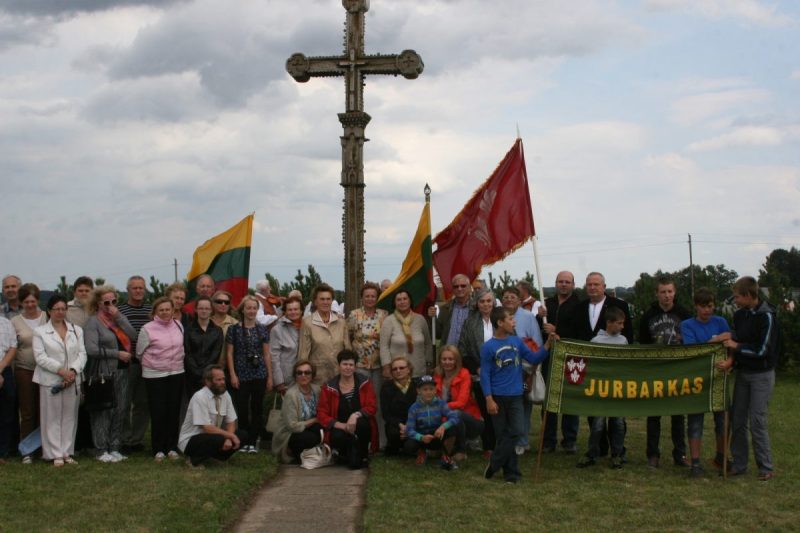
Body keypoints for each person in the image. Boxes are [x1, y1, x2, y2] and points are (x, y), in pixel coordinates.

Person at [481, 307, 555, 484]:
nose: (514, 322)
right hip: (498, 396)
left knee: (517, 431)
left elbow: (534, 359)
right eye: (510, 319)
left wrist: (547, 345)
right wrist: (488, 398)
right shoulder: (488, 347)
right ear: (500, 323)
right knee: (503, 435)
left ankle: (495, 462)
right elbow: (485, 374)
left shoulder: (517, 342)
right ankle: (511, 474)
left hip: (516, 395)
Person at [719, 276, 780, 481]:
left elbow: (763, 350)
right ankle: (739, 463)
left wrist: (736, 347)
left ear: (748, 295)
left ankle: (765, 466)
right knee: (737, 420)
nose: (735, 300)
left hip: (762, 375)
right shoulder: (739, 315)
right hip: (743, 374)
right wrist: (731, 361)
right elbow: (735, 339)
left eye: (737, 296)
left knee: (757, 420)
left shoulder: (767, 316)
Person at [639, 276, 692, 468]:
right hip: (656, 370)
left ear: (675, 292)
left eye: (670, 291)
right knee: (654, 415)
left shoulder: (685, 314)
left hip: (678, 370)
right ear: (657, 293)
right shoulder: (648, 315)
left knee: (678, 415)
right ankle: (653, 455)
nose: (667, 295)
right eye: (663, 292)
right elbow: (643, 344)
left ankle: (680, 454)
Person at [680, 288, 731, 478]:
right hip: (697, 378)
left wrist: (730, 362)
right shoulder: (687, 325)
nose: (707, 310)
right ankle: (695, 462)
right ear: (696, 306)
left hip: (719, 376)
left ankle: (721, 457)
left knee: (723, 420)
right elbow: (693, 349)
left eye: (710, 306)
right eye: (703, 306)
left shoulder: (721, 321)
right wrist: (716, 339)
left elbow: (730, 346)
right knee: (695, 422)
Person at [83, 285, 137, 463]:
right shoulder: (93, 322)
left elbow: (133, 335)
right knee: (103, 410)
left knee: (120, 409)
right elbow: (91, 349)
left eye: (114, 301)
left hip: (123, 370)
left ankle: (114, 447)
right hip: (103, 372)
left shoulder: (118, 319)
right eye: (107, 302)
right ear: (99, 303)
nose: (110, 305)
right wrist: (116, 354)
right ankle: (101, 449)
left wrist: (119, 317)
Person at [32, 294, 87, 466]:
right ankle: (54, 453)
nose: (61, 312)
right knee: (52, 417)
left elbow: (82, 354)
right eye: (57, 309)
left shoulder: (77, 330)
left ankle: (66, 452)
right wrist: (60, 370)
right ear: (49, 311)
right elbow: (40, 357)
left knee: (70, 416)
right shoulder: (40, 332)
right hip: (51, 380)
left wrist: (72, 371)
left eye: (63, 309)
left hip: (72, 379)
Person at [576, 307, 628, 469]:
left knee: (618, 424)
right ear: (609, 323)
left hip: (617, 389)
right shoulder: (596, 341)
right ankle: (592, 453)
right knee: (598, 425)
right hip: (600, 389)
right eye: (619, 323)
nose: (622, 326)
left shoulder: (623, 341)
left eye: (622, 323)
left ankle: (617, 454)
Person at [138, 297, 185, 461]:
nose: (165, 313)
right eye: (161, 310)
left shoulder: (179, 325)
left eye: (168, 309)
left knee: (173, 411)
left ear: (173, 310)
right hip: (155, 375)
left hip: (176, 372)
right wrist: (155, 364)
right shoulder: (147, 329)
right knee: (158, 412)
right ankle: (158, 448)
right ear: (155, 312)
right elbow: (139, 352)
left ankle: (171, 447)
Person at [540, 271, 581, 454]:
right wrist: (539, 316)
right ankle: (548, 440)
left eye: (567, 282)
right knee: (549, 399)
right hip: (550, 357)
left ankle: (569, 440)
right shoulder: (547, 304)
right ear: (555, 283)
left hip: (571, 358)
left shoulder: (580, 305)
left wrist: (558, 331)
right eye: (560, 281)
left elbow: (580, 331)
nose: (563, 284)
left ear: (573, 284)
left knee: (569, 399)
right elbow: (539, 331)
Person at [501, 286, 544, 455]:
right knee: (507, 406)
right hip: (503, 368)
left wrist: (533, 368)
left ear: (520, 300)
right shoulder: (498, 316)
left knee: (523, 406)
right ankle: (506, 439)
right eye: (505, 297)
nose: (509, 300)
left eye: (513, 297)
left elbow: (537, 342)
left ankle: (522, 440)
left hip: (524, 367)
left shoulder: (528, 317)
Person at [317, 349, 377, 469]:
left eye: (351, 365)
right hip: (340, 426)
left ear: (355, 367)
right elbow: (321, 413)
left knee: (363, 425)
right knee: (338, 436)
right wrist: (341, 425)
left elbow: (372, 406)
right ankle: (343, 454)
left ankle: (363, 454)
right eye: (345, 364)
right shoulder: (328, 387)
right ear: (339, 366)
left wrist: (355, 415)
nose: (348, 368)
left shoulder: (365, 383)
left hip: (359, 424)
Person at [226, 295, 271, 453]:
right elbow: (230, 354)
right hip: (241, 374)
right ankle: (243, 440)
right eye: (248, 308)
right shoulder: (234, 329)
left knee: (257, 408)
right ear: (242, 310)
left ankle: (253, 441)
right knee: (242, 408)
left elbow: (266, 354)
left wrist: (270, 377)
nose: (251, 311)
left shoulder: (262, 330)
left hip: (259, 373)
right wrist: (232, 374)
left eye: (254, 308)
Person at [178, 365, 245, 467]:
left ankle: (217, 457)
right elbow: (206, 428)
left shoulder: (225, 394)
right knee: (219, 438)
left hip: (211, 437)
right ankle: (193, 460)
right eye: (218, 379)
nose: (223, 382)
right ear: (208, 382)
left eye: (223, 379)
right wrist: (230, 436)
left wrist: (228, 438)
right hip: (191, 440)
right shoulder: (199, 397)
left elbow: (231, 421)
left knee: (242, 435)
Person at [10, 283, 47, 461]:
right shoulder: (15, 322)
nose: (30, 305)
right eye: (26, 301)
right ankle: (27, 450)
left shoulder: (47, 317)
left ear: (37, 301)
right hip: (24, 370)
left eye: (33, 301)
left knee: (44, 411)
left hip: (46, 370)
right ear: (21, 302)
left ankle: (42, 448)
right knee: (27, 411)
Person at [348, 282, 387, 446]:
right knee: (361, 402)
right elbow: (348, 337)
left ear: (377, 297)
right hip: (360, 365)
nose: (370, 299)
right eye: (367, 296)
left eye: (373, 296)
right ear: (362, 298)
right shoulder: (354, 315)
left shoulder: (384, 315)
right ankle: (362, 439)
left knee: (377, 401)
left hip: (379, 365)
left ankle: (381, 440)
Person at [457, 288, 496, 455]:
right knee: (486, 410)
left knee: (501, 411)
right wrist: (477, 368)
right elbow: (463, 350)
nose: (486, 304)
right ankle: (489, 446)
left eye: (489, 301)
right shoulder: (469, 322)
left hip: (501, 374)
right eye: (482, 301)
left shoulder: (501, 319)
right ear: (477, 303)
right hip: (479, 374)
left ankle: (504, 444)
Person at [118, 275, 152, 454]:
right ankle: (125, 439)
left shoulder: (150, 310)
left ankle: (137, 439)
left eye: (141, 288)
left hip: (147, 364)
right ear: (128, 290)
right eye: (134, 288)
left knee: (142, 403)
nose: (138, 291)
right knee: (123, 402)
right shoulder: (120, 310)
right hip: (127, 362)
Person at [434, 345, 483, 461]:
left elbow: (461, 403)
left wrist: (442, 408)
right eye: (444, 359)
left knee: (456, 414)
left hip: (471, 419)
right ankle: (439, 448)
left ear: (456, 360)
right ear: (440, 360)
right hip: (446, 417)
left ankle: (461, 451)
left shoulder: (464, 374)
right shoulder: (437, 375)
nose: (447, 362)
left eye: (451, 359)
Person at [298, 284, 351, 384]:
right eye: (322, 299)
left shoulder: (341, 322)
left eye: (328, 299)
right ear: (315, 301)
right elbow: (303, 352)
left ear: (332, 301)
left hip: (339, 375)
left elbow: (348, 349)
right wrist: (303, 374)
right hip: (318, 376)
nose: (325, 302)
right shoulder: (307, 322)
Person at [405, 374, 461, 470]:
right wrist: (421, 437)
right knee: (409, 445)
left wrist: (443, 427)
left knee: (454, 428)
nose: (428, 392)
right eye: (425, 389)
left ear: (435, 390)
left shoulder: (441, 403)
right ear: (418, 391)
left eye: (431, 389)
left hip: (437, 434)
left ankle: (445, 455)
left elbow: (455, 417)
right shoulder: (414, 408)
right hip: (423, 437)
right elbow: (409, 430)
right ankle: (422, 452)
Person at [271, 361, 323, 463]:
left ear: (312, 375)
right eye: (299, 373)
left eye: (307, 372)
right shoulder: (291, 395)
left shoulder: (317, 390)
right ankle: (293, 453)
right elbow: (293, 426)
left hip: (308, 427)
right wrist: (315, 420)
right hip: (290, 433)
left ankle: (312, 454)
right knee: (310, 438)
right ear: (295, 376)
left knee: (323, 430)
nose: (303, 375)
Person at [379, 290, 433, 379]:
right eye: (399, 300)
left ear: (410, 301)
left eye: (405, 299)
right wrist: (386, 367)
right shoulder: (389, 321)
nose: (402, 302)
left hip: (419, 370)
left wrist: (429, 363)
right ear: (394, 303)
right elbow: (384, 346)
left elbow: (428, 344)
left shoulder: (420, 319)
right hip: (397, 372)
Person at [184, 296, 223, 397]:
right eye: (201, 308)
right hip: (191, 376)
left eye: (207, 308)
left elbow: (216, 353)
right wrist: (196, 372)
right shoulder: (188, 330)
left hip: (210, 377)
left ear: (211, 310)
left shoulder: (218, 331)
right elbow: (187, 353)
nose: (204, 311)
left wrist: (205, 373)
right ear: (196, 310)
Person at [380, 356, 417, 456]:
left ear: (409, 369)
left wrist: (409, 427)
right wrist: (400, 425)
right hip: (396, 425)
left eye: (401, 368)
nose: (398, 371)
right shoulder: (386, 387)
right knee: (393, 434)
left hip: (414, 425)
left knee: (410, 448)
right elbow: (386, 414)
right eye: (395, 369)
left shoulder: (417, 385)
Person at [271, 296, 303, 393]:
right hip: (288, 378)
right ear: (285, 311)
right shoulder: (277, 330)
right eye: (290, 309)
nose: (293, 312)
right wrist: (279, 381)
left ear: (301, 311)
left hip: (305, 376)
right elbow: (274, 357)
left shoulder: (307, 326)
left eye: (296, 309)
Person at [430, 273, 472, 346]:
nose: (459, 289)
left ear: (469, 287)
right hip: (449, 355)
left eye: (463, 286)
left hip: (469, 355)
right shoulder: (445, 309)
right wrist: (432, 318)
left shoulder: (477, 308)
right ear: (453, 289)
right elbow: (438, 334)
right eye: (456, 286)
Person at [0, 314, 18, 464]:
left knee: (6, 411)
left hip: (4, 369)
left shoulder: (7, 323)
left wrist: (0, 370)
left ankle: (3, 451)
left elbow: (13, 347)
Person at [210, 290, 238, 365]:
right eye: (219, 301)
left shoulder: (235, 324)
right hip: (208, 368)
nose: (223, 304)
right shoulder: (207, 322)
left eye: (226, 302)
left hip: (229, 368)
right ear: (213, 303)